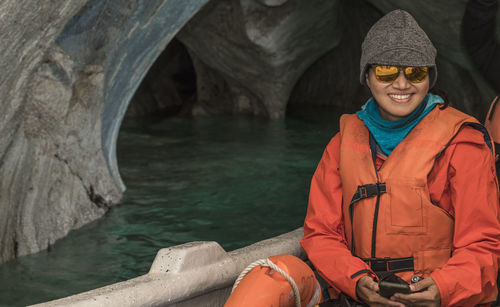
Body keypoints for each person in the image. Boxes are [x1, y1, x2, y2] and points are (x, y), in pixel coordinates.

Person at [301, 9, 500, 307]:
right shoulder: (340, 145)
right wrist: (357, 282)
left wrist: (442, 289)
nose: (402, 84)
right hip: (361, 298)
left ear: (430, 78)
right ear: (367, 77)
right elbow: (322, 233)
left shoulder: (464, 144)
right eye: (386, 71)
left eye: (416, 72)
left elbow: (482, 244)